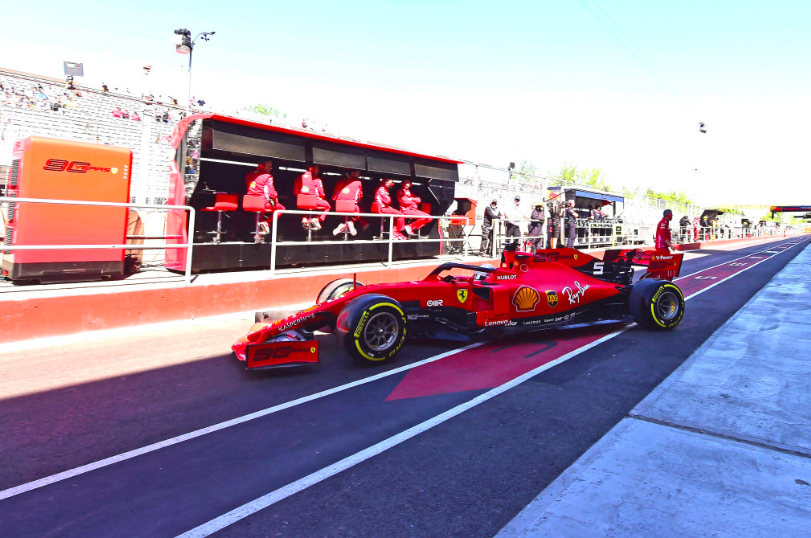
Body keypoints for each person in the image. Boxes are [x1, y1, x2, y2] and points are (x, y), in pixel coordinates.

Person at [246, 162, 285, 235]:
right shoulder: (268, 176)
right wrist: (275, 199)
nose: (271, 168)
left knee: (260, 212)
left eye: (271, 166)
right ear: (262, 166)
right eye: (268, 166)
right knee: (282, 209)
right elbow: (272, 193)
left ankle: (258, 234)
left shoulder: (249, 174)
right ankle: (266, 222)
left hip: (249, 202)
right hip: (262, 202)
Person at [293, 165, 331, 231]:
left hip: (301, 203)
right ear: (312, 169)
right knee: (328, 206)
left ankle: (305, 219)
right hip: (314, 202)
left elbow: (295, 192)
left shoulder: (298, 178)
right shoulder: (317, 179)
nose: (318, 171)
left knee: (306, 206)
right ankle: (316, 219)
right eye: (317, 169)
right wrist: (321, 198)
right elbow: (322, 193)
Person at [331, 170, 363, 236]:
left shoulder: (339, 182)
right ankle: (350, 223)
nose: (359, 175)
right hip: (351, 207)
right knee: (358, 211)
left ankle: (343, 225)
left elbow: (334, 197)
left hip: (339, 207)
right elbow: (360, 196)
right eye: (358, 174)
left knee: (344, 213)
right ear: (352, 173)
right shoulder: (358, 182)